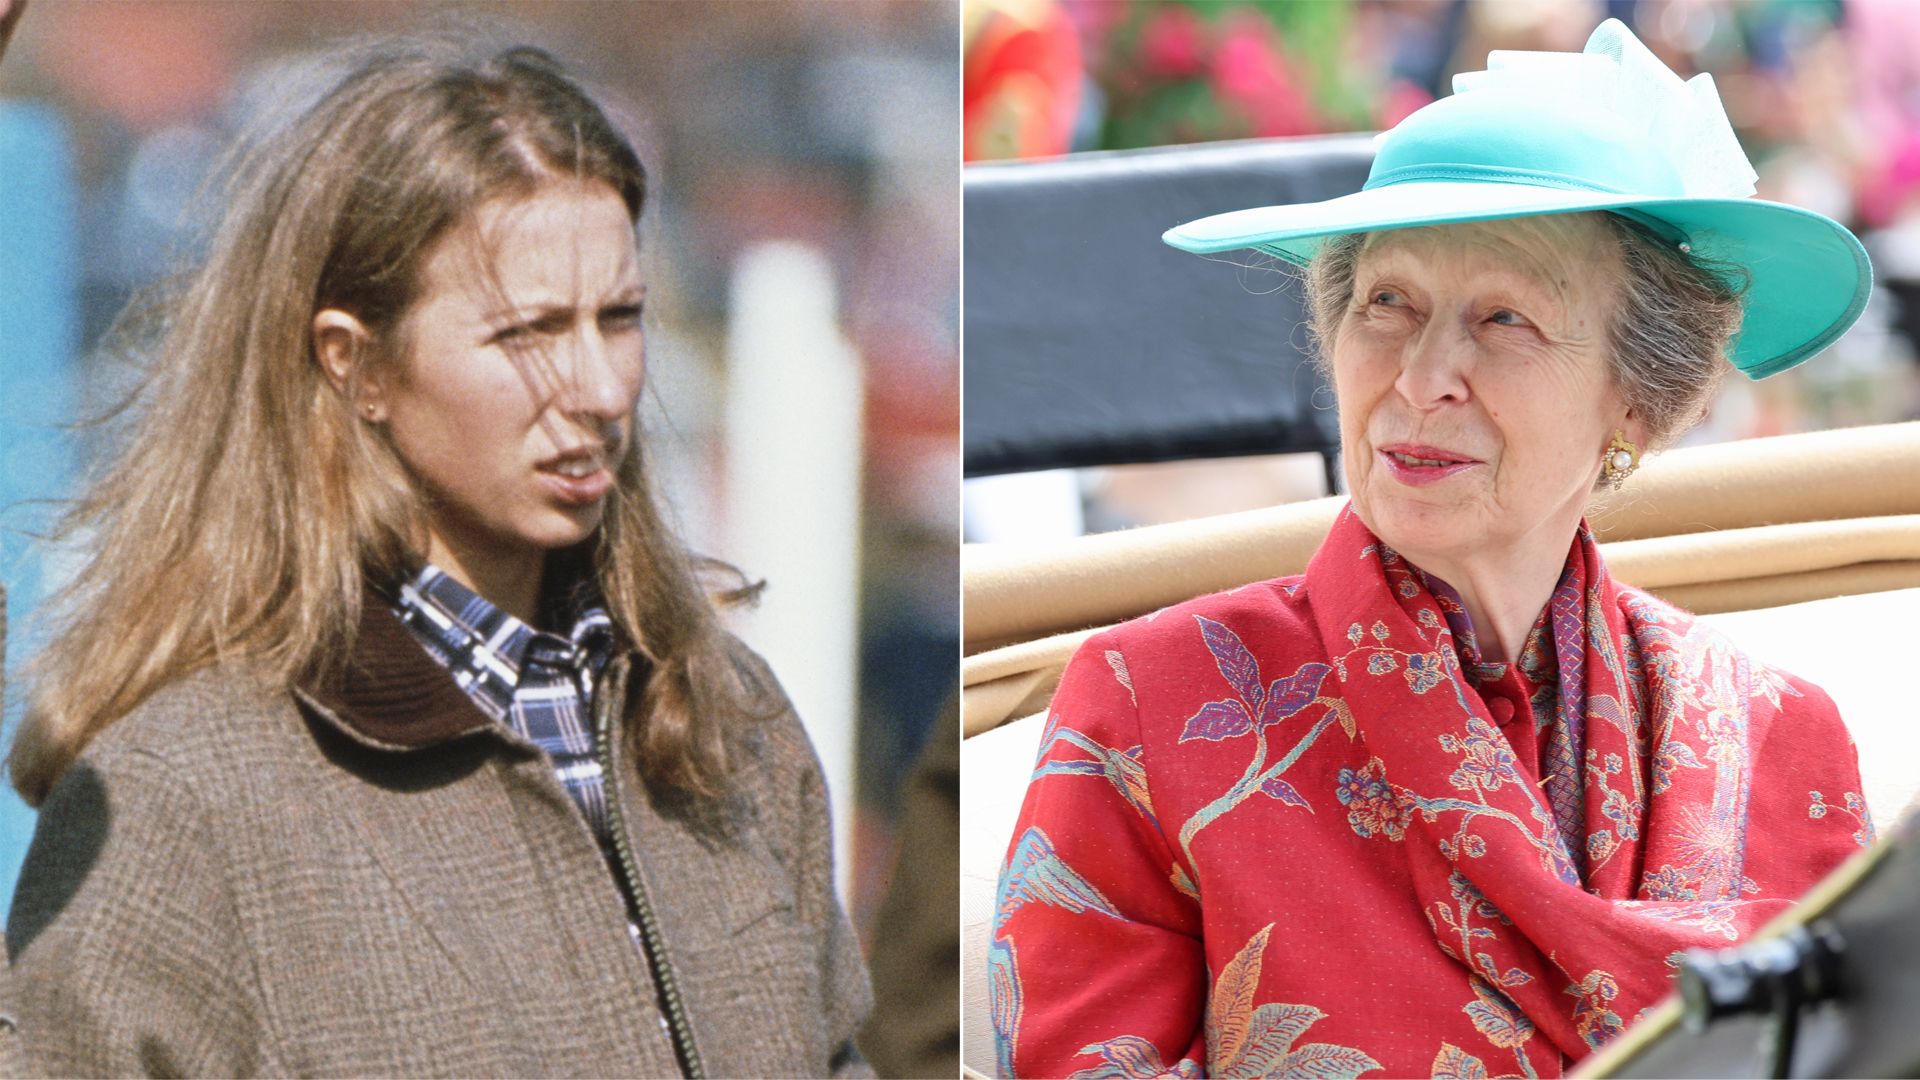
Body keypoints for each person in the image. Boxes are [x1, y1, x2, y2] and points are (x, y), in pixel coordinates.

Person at [991, 20, 1874, 1079]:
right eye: (1387, 305)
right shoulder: (1145, 710)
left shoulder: (1786, 739)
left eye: (1503, 318)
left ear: (1638, 398)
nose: (1421, 377)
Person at [6, 35, 868, 1077]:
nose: (598, 388)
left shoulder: (729, 721)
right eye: (528, 332)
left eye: (622, 317)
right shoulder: (182, 795)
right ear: (354, 362)